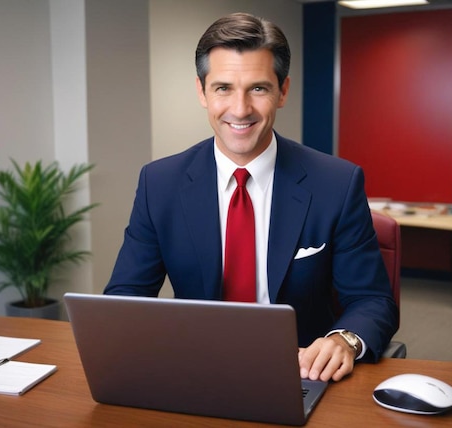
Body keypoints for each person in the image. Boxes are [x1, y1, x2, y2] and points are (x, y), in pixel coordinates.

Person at [105, 12, 398, 382]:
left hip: (300, 371)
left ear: (283, 91)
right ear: (202, 92)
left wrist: (344, 340)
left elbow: (373, 300)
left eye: (258, 88)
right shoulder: (159, 182)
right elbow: (126, 295)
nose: (240, 109)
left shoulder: (336, 184)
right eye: (223, 88)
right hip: (193, 368)